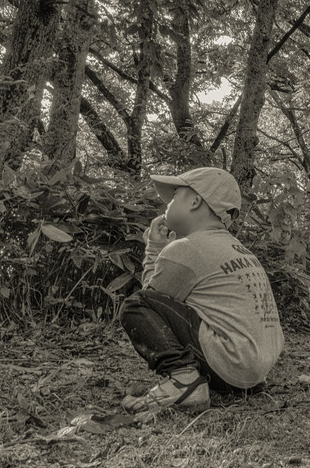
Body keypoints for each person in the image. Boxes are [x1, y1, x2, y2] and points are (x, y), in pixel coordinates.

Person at [120, 167, 284, 412]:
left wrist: (154, 248)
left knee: (134, 306)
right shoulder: (237, 248)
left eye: (176, 195)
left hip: (230, 363)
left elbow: (150, 303)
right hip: (251, 373)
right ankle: (225, 382)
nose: (168, 203)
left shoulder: (186, 248)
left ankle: (183, 381)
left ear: (195, 201)